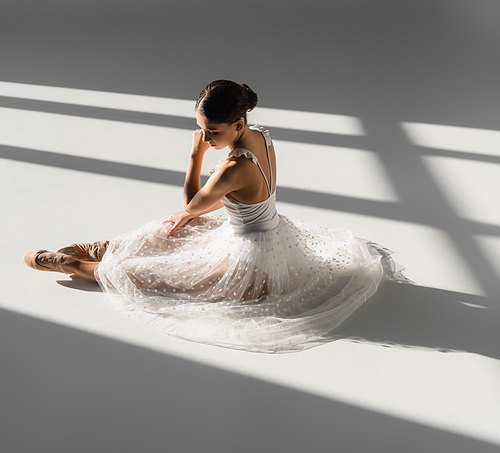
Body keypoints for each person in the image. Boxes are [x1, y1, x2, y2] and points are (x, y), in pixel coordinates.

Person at [23, 79, 408, 352]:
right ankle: (104, 246)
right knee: (172, 228)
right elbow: (206, 208)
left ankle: (76, 264)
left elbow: (192, 201)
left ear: (237, 124)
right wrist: (192, 210)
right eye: (200, 130)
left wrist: (195, 156)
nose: (206, 138)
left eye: (212, 132)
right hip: (264, 232)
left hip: (253, 257)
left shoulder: (232, 168)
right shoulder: (262, 133)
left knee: (156, 274)